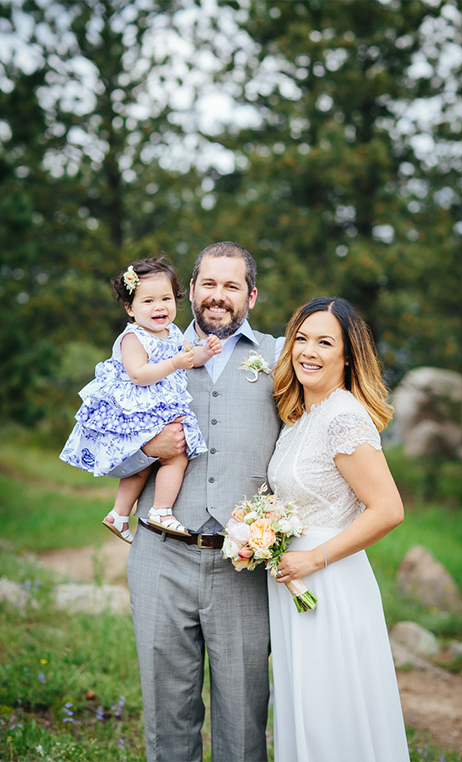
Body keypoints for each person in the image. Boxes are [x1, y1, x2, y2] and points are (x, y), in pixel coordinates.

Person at [115, 242, 283, 762]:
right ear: (190, 291)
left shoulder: (279, 357)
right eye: (208, 284)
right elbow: (101, 441)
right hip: (161, 556)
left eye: (232, 286)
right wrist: (148, 450)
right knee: (168, 713)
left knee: (244, 715)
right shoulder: (145, 352)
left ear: (250, 296)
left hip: (243, 567)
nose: (218, 296)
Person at [266, 296, 408, 761]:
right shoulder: (298, 416)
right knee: (306, 708)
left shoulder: (343, 416)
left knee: (332, 712)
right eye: (302, 339)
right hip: (294, 582)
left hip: (330, 581)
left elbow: (387, 509)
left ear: (347, 356)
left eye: (325, 342)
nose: (309, 351)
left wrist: (312, 557)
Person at [60, 256, 222, 542]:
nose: (159, 307)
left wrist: (205, 352)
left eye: (166, 299)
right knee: (175, 456)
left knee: (147, 463)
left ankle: (119, 515)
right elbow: (138, 374)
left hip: (154, 409)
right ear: (129, 307)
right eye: (148, 301)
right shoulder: (133, 338)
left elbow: (189, 358)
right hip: (135, 409)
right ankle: (161, 510)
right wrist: (173, 363)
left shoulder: (172, 332)